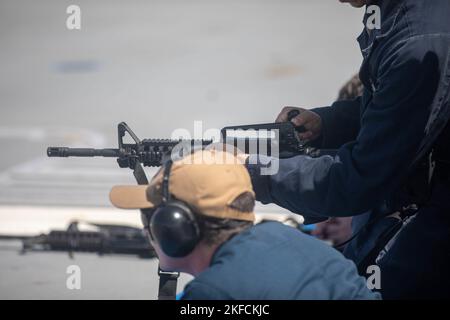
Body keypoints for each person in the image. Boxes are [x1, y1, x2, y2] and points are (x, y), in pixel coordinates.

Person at [245, 0, 450, 299]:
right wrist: (327, 123)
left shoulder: (418, 41)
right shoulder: (403, 15)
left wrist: (253, 173)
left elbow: (359, 179)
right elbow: (398, 106)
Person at [109, 149, 379, 300]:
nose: (148, 229)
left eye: (151, 217)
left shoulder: (213, 293)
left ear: (175, 227)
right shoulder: (289, 239)